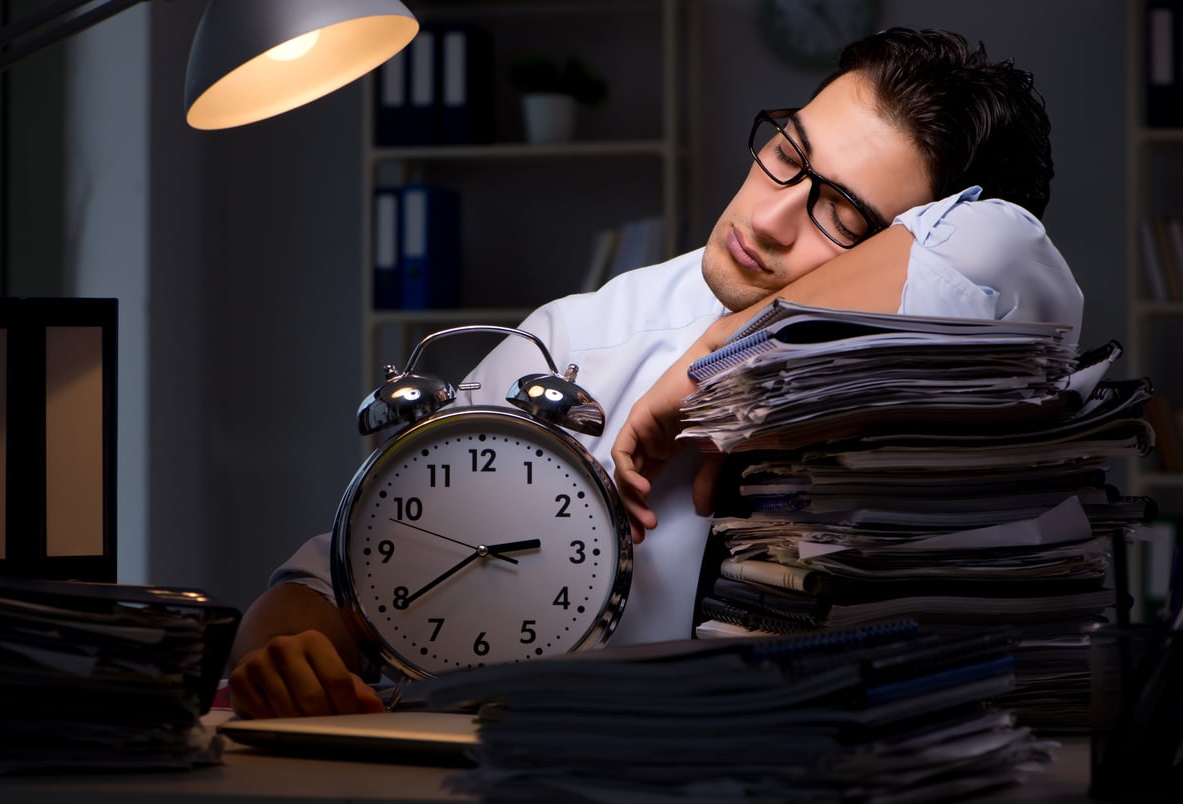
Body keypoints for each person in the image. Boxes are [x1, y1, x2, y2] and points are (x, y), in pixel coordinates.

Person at [226, 27, 1084, 719]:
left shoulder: (986, 360)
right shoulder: (580, 340)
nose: (771, 215)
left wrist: (718, 368)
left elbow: (998, 248)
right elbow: (328, 583)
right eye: (787, 152)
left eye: (843, 213)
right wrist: (285, 651)